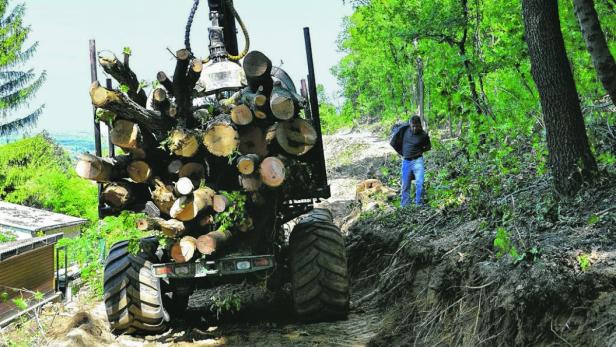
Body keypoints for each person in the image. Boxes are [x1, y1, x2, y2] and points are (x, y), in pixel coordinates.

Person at [390, 115, 431, 206]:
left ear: (420, 125)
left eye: (417, 126)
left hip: (418, 161)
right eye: (413, 126)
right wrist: (402, 153)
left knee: (420, 183)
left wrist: (420, 150)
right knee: (405, 185)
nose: (415, 128)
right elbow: (393, 142)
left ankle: (419, 204)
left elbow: (428, 146)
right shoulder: (404, 131)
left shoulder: (423, 135)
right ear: (410, 124)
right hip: (406, 161)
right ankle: (405, 206)